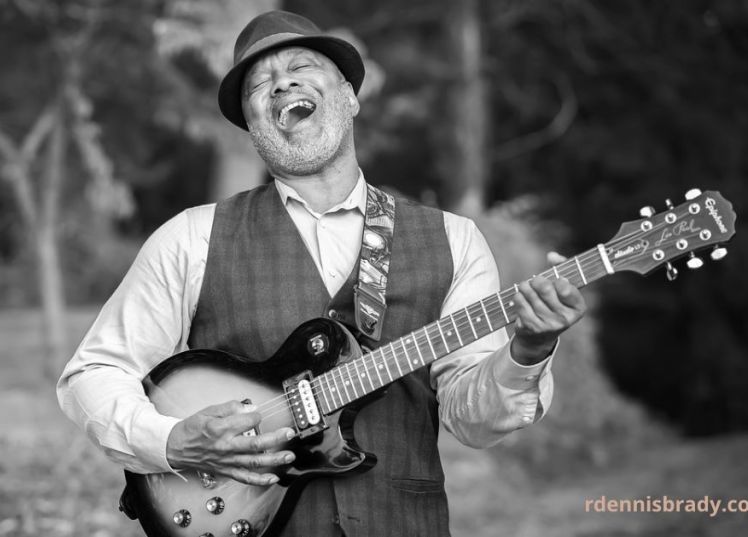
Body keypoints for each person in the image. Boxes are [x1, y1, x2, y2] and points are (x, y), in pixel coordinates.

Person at [57, 10, 586, 537]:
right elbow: (95, 373)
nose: (281, 81)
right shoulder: (191, 237)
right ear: (253, 127)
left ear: (351, 96)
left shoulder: (454, 239)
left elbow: (474, 421)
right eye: (259, 83)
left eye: (302, 66)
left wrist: (529, 351)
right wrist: (170, 440)